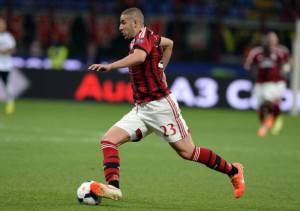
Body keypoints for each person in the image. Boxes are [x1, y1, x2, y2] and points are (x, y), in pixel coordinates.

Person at [88, 8, 245, 200]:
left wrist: (110, 66)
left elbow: (139, 57)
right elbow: (169, 43)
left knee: (188, 152)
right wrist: (161, 67)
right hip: (141, 109)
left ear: (135, 23)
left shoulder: (141, 40)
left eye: (123, 22)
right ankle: (113, 187)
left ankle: (233, 171)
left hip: (161, 107)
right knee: (108, 141)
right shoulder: (150, 37)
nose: (119, 27)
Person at [244, 32, 290, 137]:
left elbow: (287, 63)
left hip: (276, 82)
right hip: (260, 82)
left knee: (269, 102)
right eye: (269, 39)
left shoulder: (281, 51)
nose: (271, 41)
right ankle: (268, 121)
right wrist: (253, 72)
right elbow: (248, 65)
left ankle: (268, 124)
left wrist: (285, 71)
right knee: (261, 106)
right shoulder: (257, 52)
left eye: (274, 39)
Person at [0, 18, 16, 114]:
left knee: (7, 85)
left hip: (5, 65)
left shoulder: (8, 37)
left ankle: (10, 103)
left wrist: (3, 51)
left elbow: (13, 49)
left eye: (2, 24)